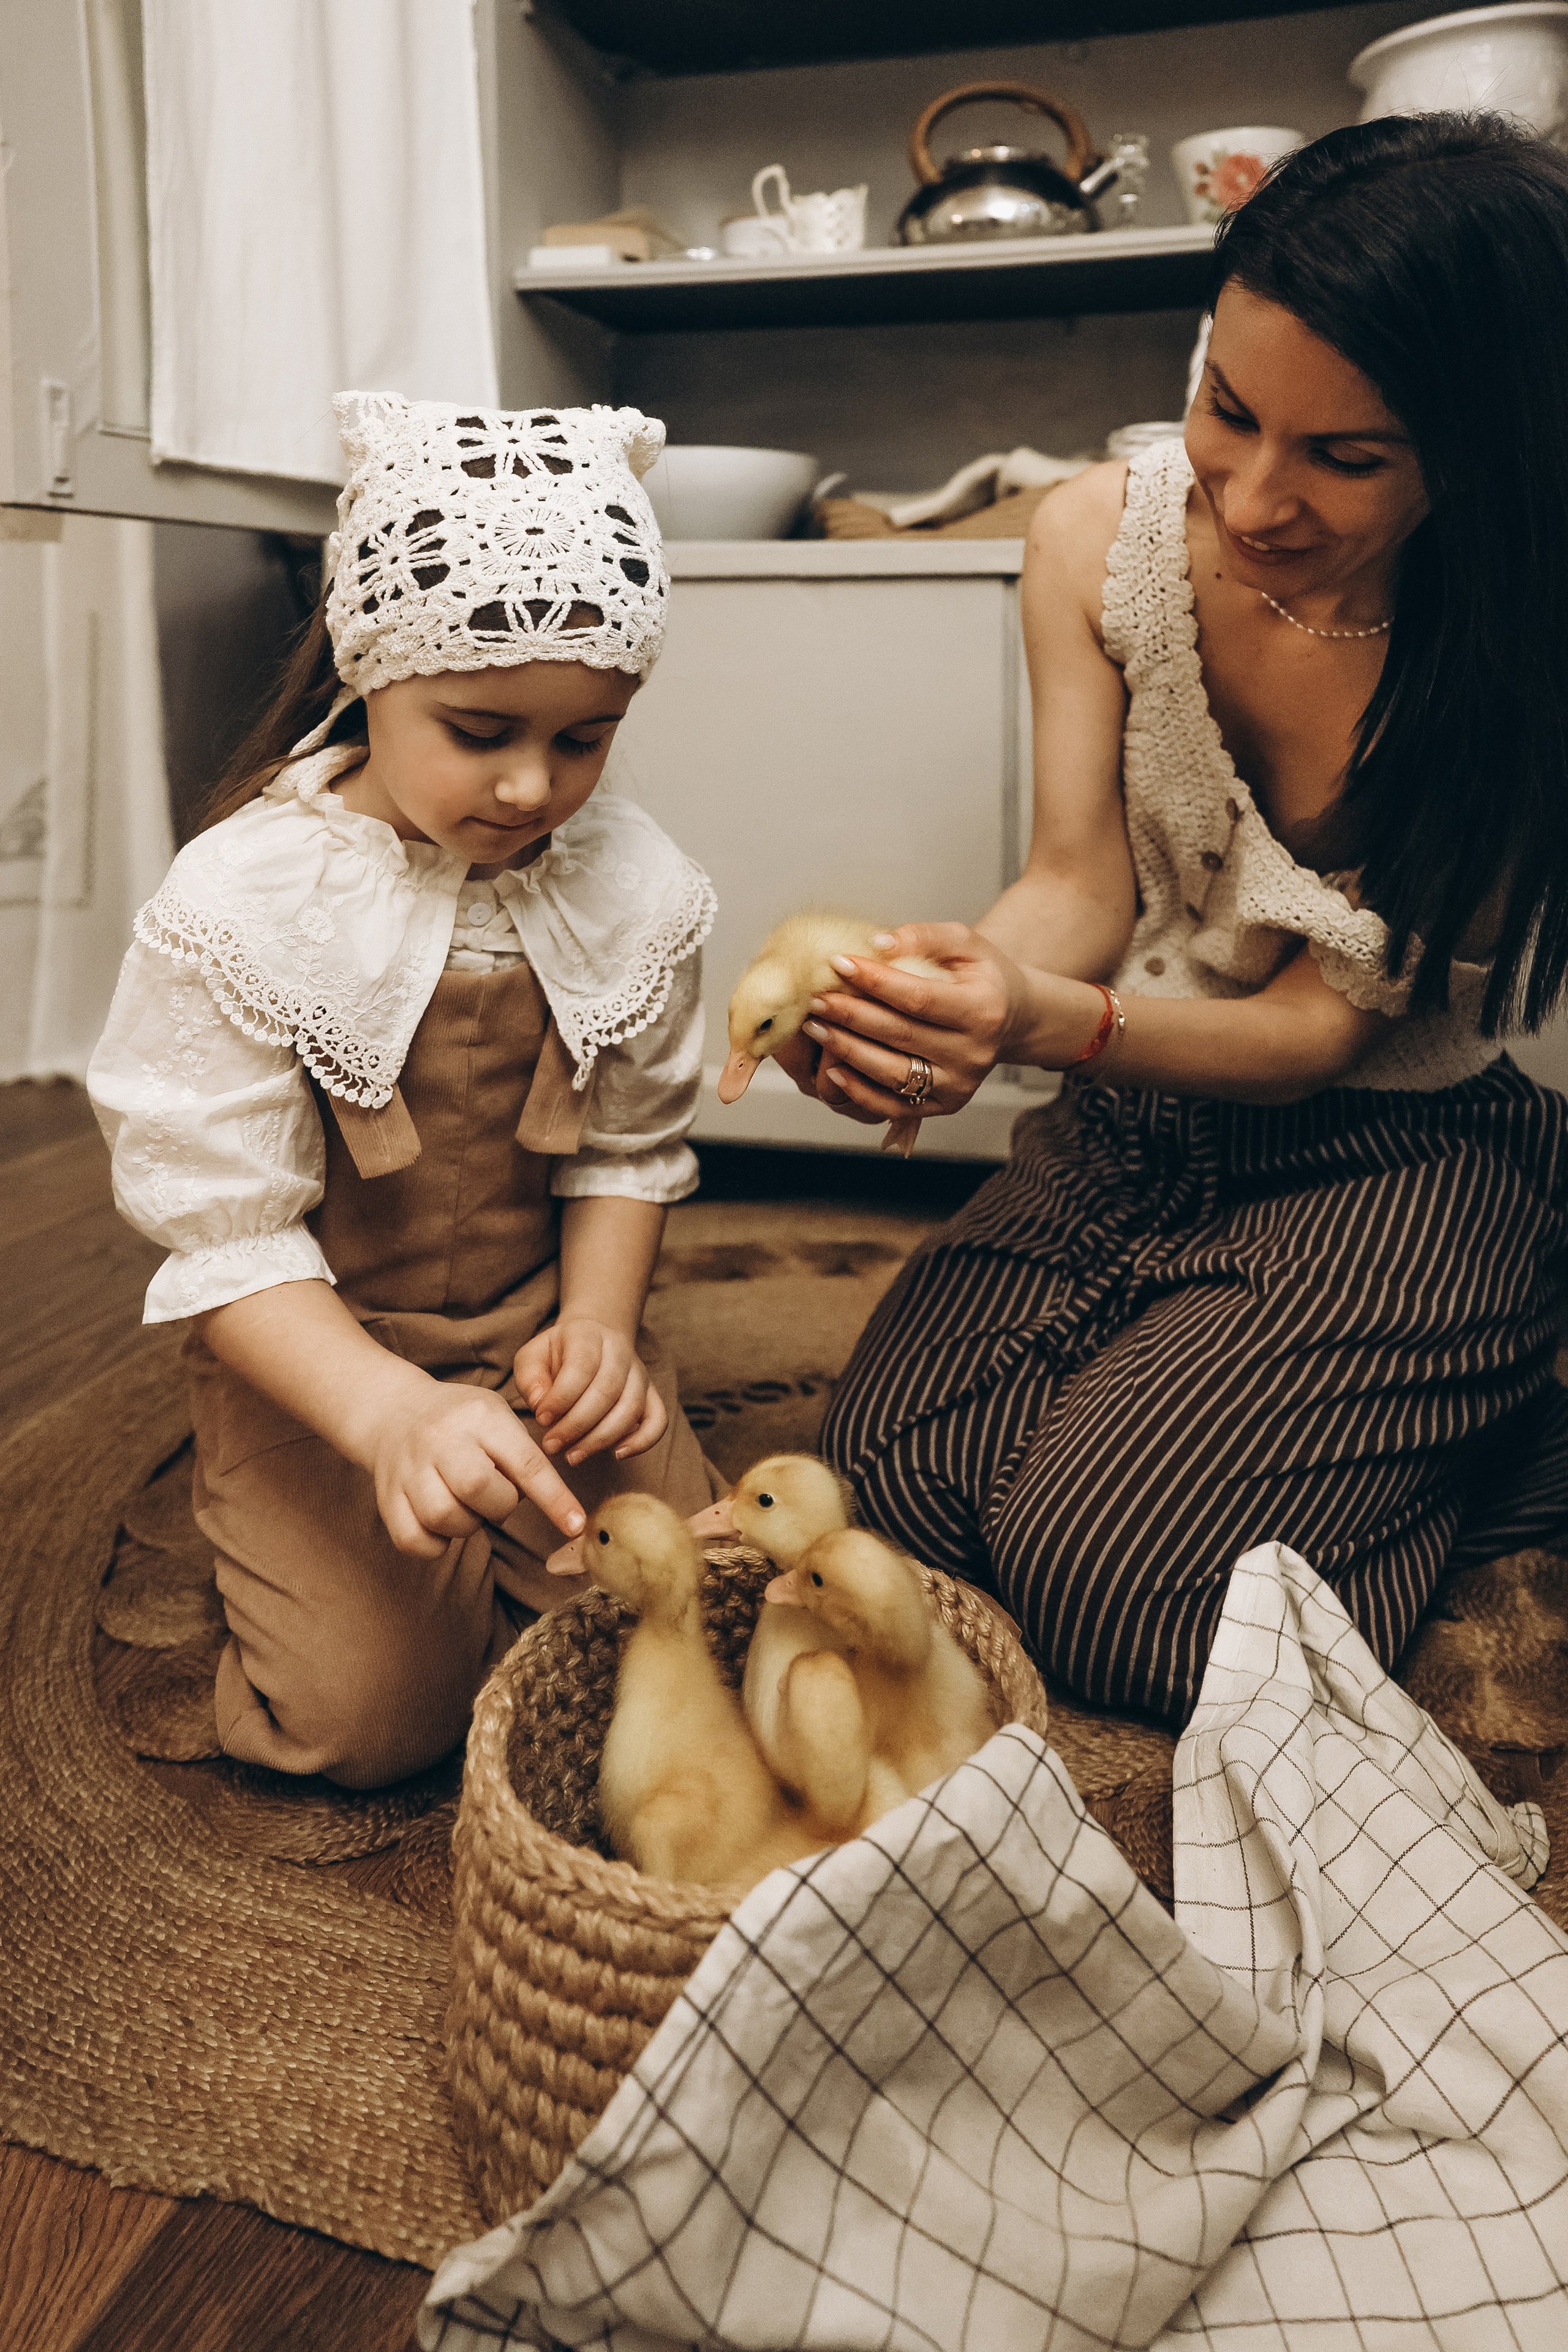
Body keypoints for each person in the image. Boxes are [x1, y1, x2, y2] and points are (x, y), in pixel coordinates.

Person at [784, 115, 1568, 1728]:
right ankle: (1300, 1404)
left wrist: (1040, 1024)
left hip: (1394, 1144)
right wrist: (939, 1001)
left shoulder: (1518, 648)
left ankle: (1498, 1401)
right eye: (1231, 407)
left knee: (1121, 1598)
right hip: (1138, 1116)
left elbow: (1313, 1036)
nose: (1258, 496)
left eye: (1348, 457)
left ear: (1480, 448)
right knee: (892, 1497)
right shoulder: (1097, 539)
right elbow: (1079, 881)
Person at [89, 393, 720, 1785]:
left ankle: (497, 1530)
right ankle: (282, 1510)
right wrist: (384, 1415)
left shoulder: (632, 884)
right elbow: (227, 1232)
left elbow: (625, 1149)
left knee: (700, 1622)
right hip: (321, 1353)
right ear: (370, 672)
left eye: (584, 739)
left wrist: (599, 1329)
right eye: (480, 729)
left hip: (536, 1334)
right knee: (370, 1720)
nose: (531, 788)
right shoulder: (245, 901)